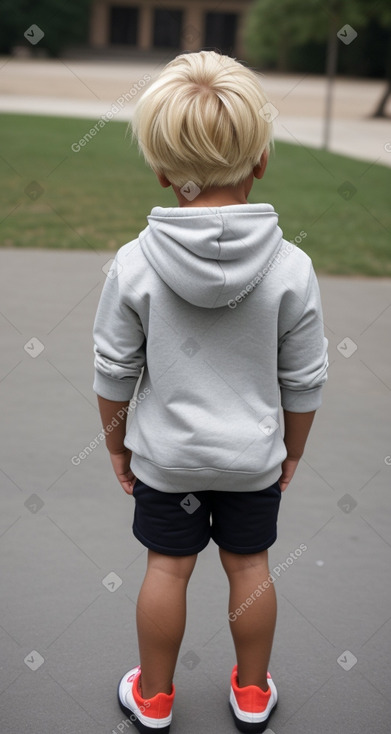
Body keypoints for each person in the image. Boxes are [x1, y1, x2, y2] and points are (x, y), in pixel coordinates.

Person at [93, 50, 328, 734]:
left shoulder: (133, 263)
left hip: (166, 461)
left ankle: (156, 698)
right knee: (249, 566)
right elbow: (304, 377)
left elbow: (113, 370)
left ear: (163, 171)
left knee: (166, 570)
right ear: (260, 161)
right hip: (252, 459)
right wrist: (290, 451)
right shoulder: (291, 267)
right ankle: (252, 694)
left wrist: (116, 449)